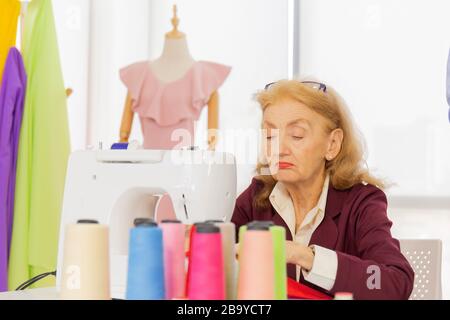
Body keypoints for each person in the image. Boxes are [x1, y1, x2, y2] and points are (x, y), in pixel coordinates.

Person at [231, 80, 414, 300]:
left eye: (297, 135)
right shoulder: (256, 197)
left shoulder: (360, 203)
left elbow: (394, 282)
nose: (278, 149)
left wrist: (304, 256)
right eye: (270, 136)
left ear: (332, 144)